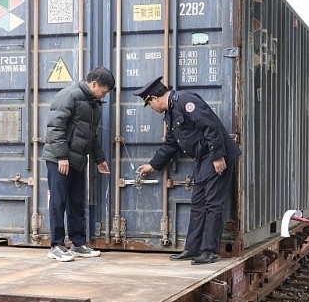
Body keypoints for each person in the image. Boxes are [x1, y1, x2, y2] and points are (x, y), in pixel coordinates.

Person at [135, 76, 241, 265]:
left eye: (149, 104)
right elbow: (171, 144)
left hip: (215, 156)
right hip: (202, 159)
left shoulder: (185, 100)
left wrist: (217, 156)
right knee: (198, 203)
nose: (152, 108)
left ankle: (209, 251)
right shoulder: (171, 113)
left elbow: (210, 125)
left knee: (212, 204)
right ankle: (192, 248)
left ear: (154, 98)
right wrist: (153, 165)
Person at [42, 67, 114, 262]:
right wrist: (62, 156)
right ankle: (56, 246)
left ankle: (78, 244)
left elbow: (92, 136)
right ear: (94, 84)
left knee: (76, 202)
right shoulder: (68, 96)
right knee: (59, 202)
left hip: (78, 161)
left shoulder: (94, 105)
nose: (104, 95)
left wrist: (100, 160)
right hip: (60, 160)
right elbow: (55, 128)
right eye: (104, 91)